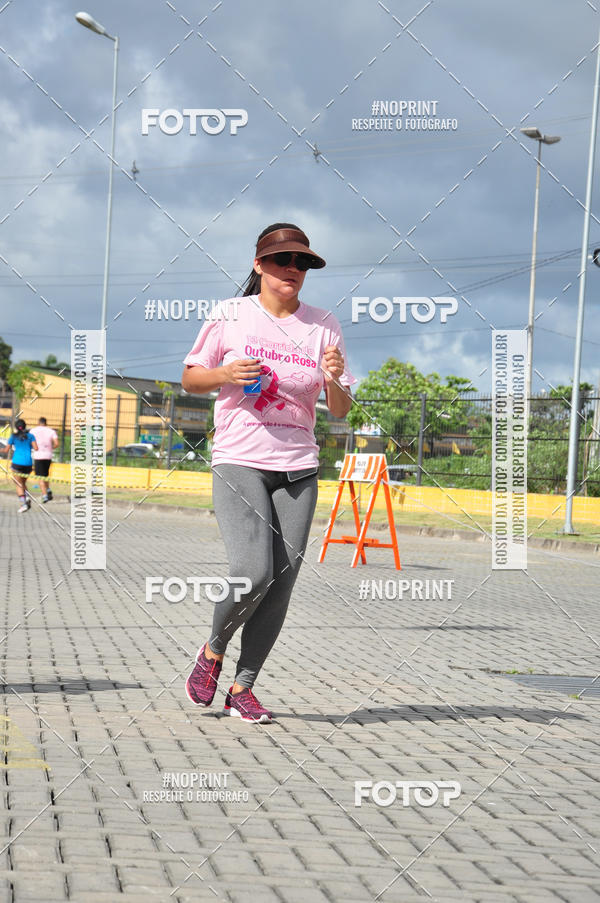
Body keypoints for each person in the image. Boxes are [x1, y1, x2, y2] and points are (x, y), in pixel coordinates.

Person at [182, 223, 356, 723]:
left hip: (298, 466)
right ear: (259, 265)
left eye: (302, 264)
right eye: (283, 261)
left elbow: (340, 409)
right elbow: (191, 377)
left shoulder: (323, 324)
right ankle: (213, 651)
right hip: (240, 457)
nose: (293, 271)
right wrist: (224, 375)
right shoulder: (230, 315)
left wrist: (335, 375)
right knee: (252, 570)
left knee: (281, 581)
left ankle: (243, 687)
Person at [4, 419, 38, 513]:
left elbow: (6, 450)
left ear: (16, 427)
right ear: (25, 426)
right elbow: (36, 448)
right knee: (22, 483)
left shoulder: (13, 436)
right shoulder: (31, 436)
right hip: (28, 463)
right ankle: (27, 498)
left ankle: (24, 504)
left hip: (17, 463)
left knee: (18, 484)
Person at [30, 416, 59, 503]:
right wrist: (50, 448)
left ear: (38, 422)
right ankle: (48, 489)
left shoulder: (33, 430)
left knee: (40, 477)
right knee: (45, 475)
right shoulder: (51, 431)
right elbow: (56, 443)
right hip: (48, 455)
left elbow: (30, 442)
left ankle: (44, 495)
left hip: (38, 456)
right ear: (46, 423)